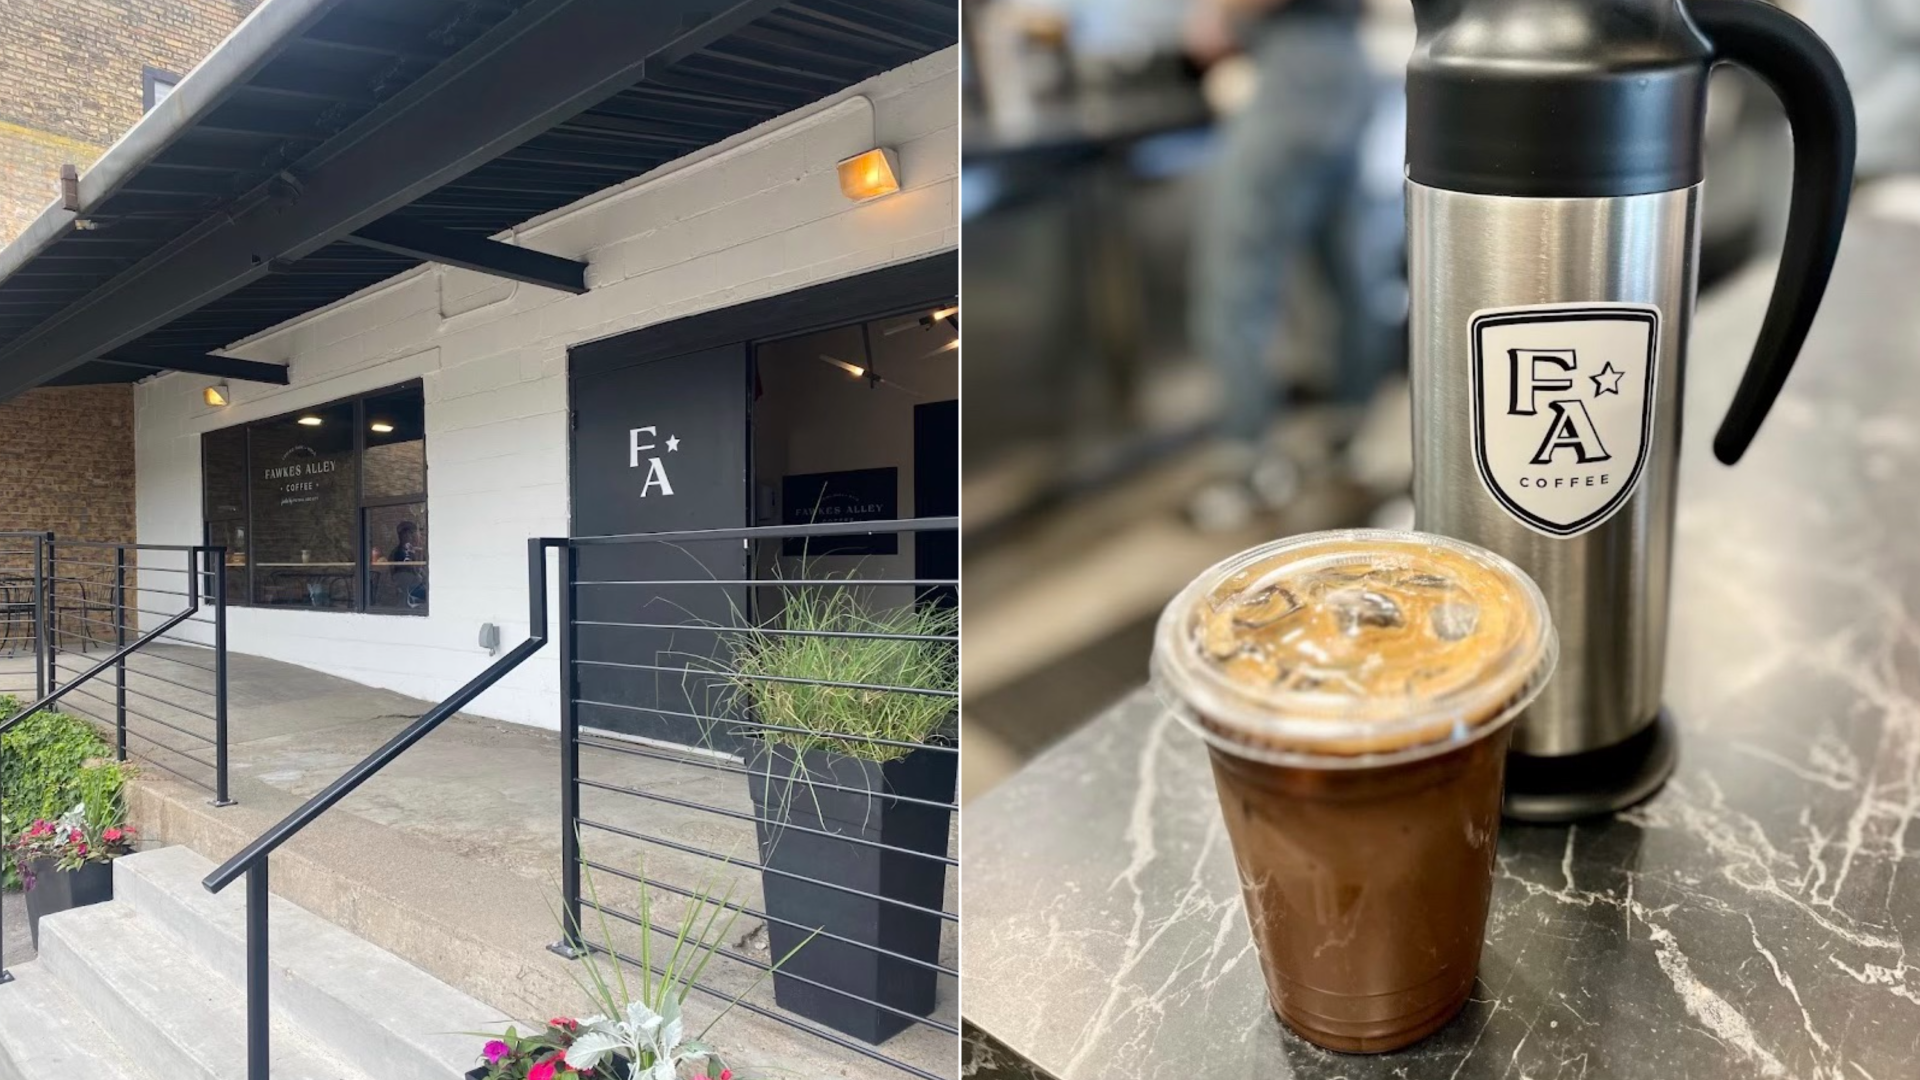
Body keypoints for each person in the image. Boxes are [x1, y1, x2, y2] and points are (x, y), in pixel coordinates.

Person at [1184, 0, 1397, 528]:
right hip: (1349, 74)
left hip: (1293, 81)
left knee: (1237, 287)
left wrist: (1219, 10)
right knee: (1349, 275)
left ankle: (1248, 466)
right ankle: (1345, 441)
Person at [375, 520, 427, 608]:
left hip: (414, 583)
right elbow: (400, 574)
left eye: (411, 533)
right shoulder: (398, 553)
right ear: (402, 535)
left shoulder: (413, 550)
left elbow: (420, 567)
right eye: (407, 533)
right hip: (407, 584)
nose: (410, 536)